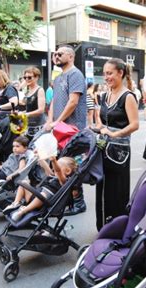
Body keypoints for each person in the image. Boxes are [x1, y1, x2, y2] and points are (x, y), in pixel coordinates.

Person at [96, 58, 139, 231]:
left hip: (119, 152)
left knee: (116, 189)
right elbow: (102, 120)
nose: (106, 77)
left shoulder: (127, 96)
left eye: (110, 73)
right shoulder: (105, 95)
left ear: (120, 73)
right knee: (103, 186)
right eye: (105, 73)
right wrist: (98, 128)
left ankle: (116, 228)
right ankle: (103, 227)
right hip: (103, 148)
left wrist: (114, 133)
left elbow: (135, 124)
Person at [45, 45, 87, 215]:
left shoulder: (75, 74)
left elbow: (73, 102)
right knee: (60, 164)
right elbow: (54, 101)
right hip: (60, 129)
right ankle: (67, 199)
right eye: (55, 54)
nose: (56, 56)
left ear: (70, 56)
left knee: (71, 167)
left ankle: (79, 202)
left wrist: (58, 121)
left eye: (59, 54)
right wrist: (50, 121)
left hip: (72, 129)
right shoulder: (58, 77)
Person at [4, 156, 77, 223]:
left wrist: (54, 161)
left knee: (43, 195)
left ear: (68, 171)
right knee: (23, 183)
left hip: (43, 203)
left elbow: (58, 171)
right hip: (34, 197)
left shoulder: (64, 181)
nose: (54, 168)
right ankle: (15, 203)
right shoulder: (53, 176)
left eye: (58, 166)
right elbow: (46, 168)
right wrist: (40, 156)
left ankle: (23, 211)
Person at [21, 66, 45, 139]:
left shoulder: (40, 90)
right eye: (25, 77)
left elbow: (41, 110)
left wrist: (26, 114)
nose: (27, 79)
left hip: (37, 126)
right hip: (28, 126)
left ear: (36, 77)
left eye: (29, 77)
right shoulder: (27, 91)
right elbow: (25, 105)